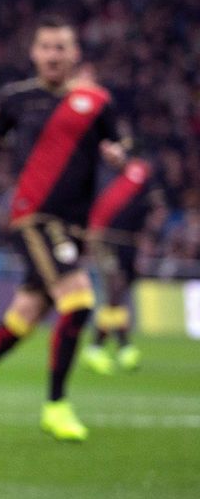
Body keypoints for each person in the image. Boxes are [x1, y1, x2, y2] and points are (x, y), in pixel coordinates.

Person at [0, 17, 128, 441]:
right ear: (34, 53)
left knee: (24, 316)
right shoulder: (15, 98)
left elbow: (121, 144)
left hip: (74, 224)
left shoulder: (96, 101)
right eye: (46, 47)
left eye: (61, 47)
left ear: (75, 54)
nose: (53, 55)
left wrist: (118, 154)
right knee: (77, 301)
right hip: (34, 216)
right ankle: (56, 406)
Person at [81, 156, 158, 375]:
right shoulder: (112, 177)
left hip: (127, 242)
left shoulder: (134, 182)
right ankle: (115, 346)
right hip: (107, 240)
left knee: (117, 295)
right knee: (115, 289)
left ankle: (110, 346)